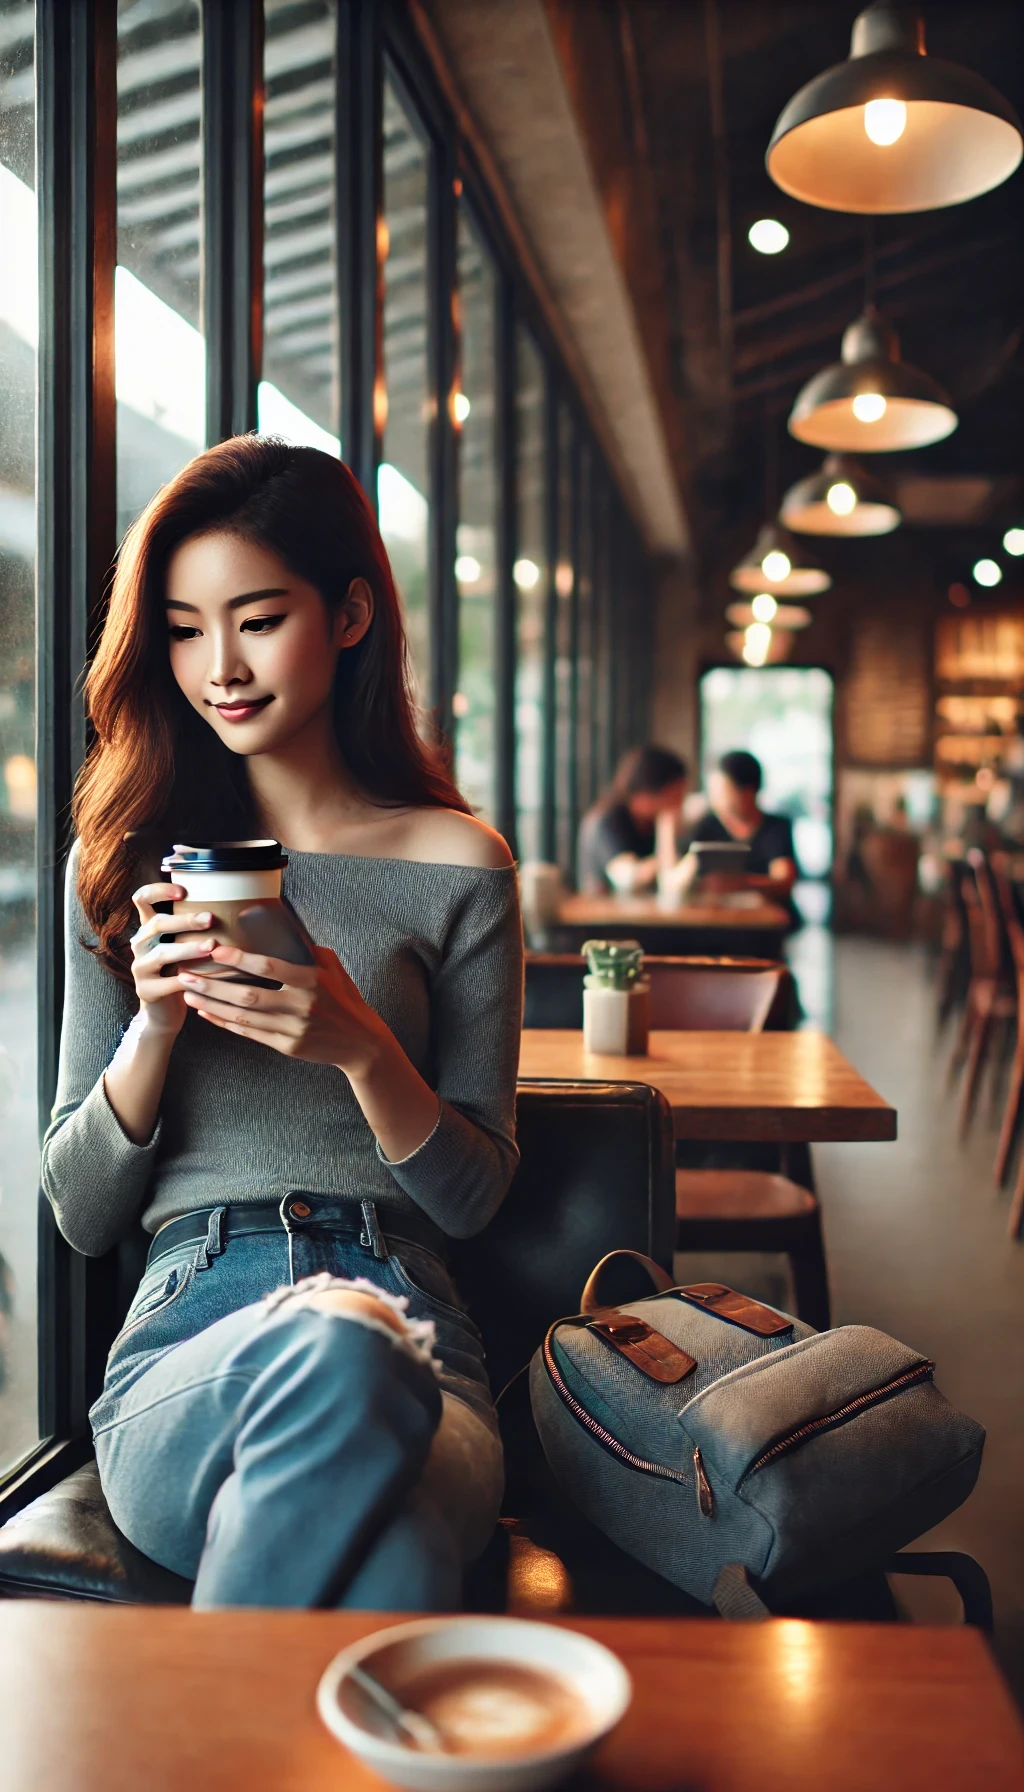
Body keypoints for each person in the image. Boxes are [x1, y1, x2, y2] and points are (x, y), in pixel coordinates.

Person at [40, 436, 523, 1611]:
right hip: (191, 1340)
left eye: (256, 618)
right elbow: (80, 1212)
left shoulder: (460, 866)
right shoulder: (123, 864)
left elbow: (472, 1197)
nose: (220, 665)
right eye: (185, 626)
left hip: (415, 1335)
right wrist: (150, 1030)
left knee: (388, 1488)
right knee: (365, 1429)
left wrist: (359, 1042)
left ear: (350, 613)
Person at [686, 749, 799, 905]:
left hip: (767, 918)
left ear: (748, 791)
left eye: (721, 792)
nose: (715, 800)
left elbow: (784, 881)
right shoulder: (708, 824)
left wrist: (738, 883)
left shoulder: (775, 828)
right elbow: (678, 873)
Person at [577, 744, 688, 895]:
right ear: (645, 793)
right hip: (604, 913)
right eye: (674, 796)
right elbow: (628, 877)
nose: (679, 804)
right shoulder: (607, 821)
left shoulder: (649, 822)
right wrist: (667, 834)